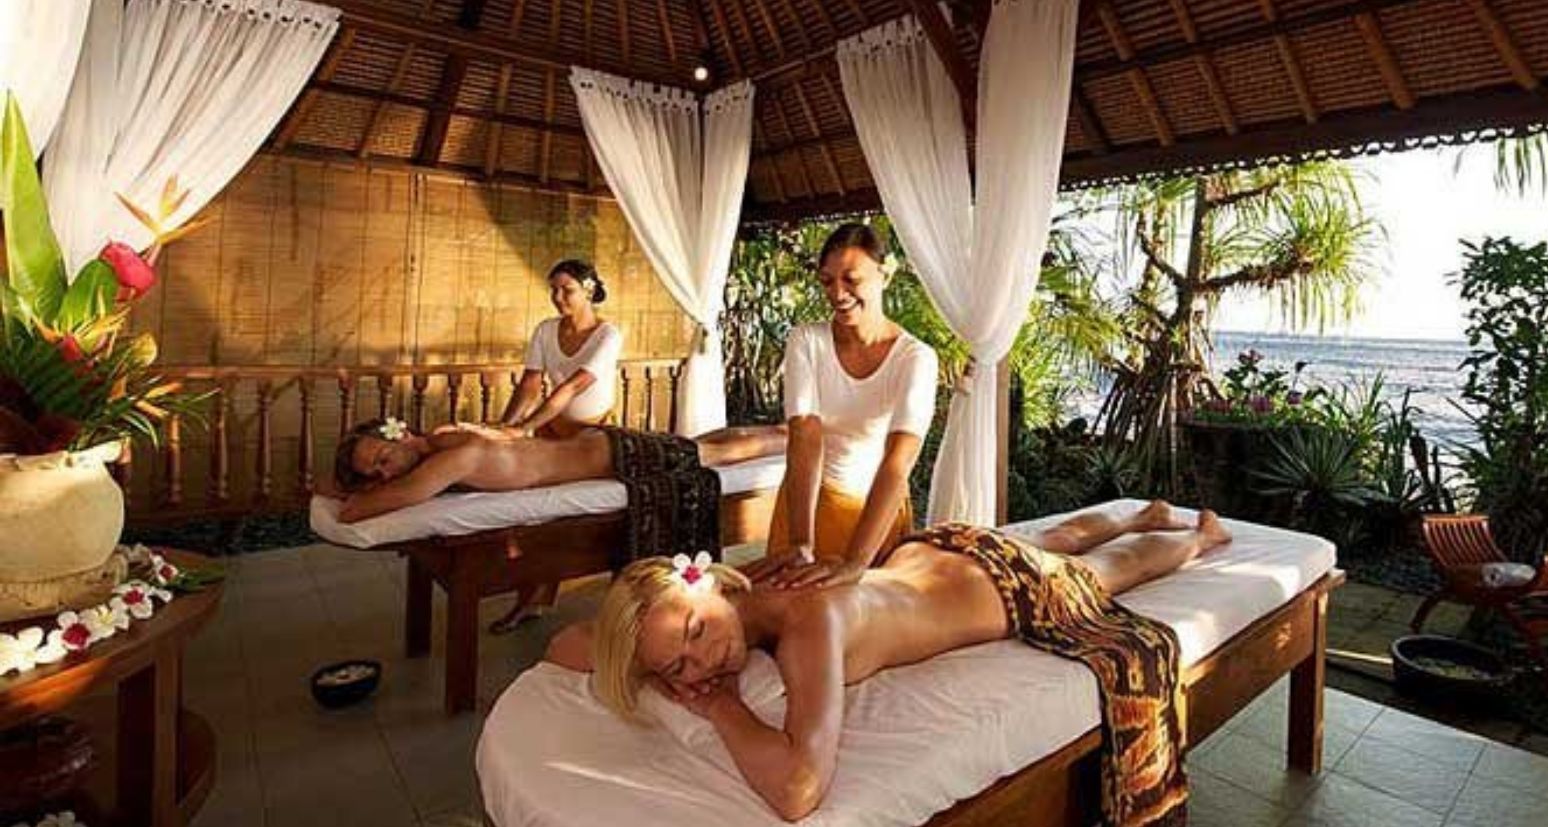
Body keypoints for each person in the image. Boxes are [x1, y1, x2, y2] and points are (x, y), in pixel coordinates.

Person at [543, 500, 1235, 825]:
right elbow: (565, 644)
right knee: (1056, 535)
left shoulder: (807, 621)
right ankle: (1139, 511)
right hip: (934, 552)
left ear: (716, 587)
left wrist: (720, 706)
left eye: (696, 631)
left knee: (1110, 570)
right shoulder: (751, 586)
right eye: (678, 667)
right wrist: (650, 663)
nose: (702, 664)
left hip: (1002, 587)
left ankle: (1196, 537)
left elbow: (798, 789)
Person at [744, 224, 939, 592]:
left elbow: (897, 462)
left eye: (851, 279)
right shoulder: (806, 341)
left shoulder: (915, 358)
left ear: (884, 275)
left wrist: (856, 561)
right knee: (784, 610)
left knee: (864, 617)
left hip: (874, 516)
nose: (837, 293)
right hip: (806, 509)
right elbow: (805, 436)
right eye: (827, 281)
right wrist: (801, 543)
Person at [322, 418, 785, 525]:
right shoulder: (444, 436)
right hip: (597, 446)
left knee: (714, 453)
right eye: (374, 473)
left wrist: (344, 497)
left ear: (400, 434)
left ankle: (789, 438)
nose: (384, 474)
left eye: (382, 458)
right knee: (701, 443)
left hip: (616, 456)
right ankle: (776, 429)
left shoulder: (450, 458)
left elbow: (365, 509)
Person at [498, 259, 624, 439]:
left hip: (596, 432)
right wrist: (505, 427)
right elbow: (530, 383)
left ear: (589, 291)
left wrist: (524, 428)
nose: (557, 297)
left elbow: (573, 387)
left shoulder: (608, 335)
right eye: (554, 290)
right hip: (554, 426)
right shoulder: (545, 329)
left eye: (567, 290)